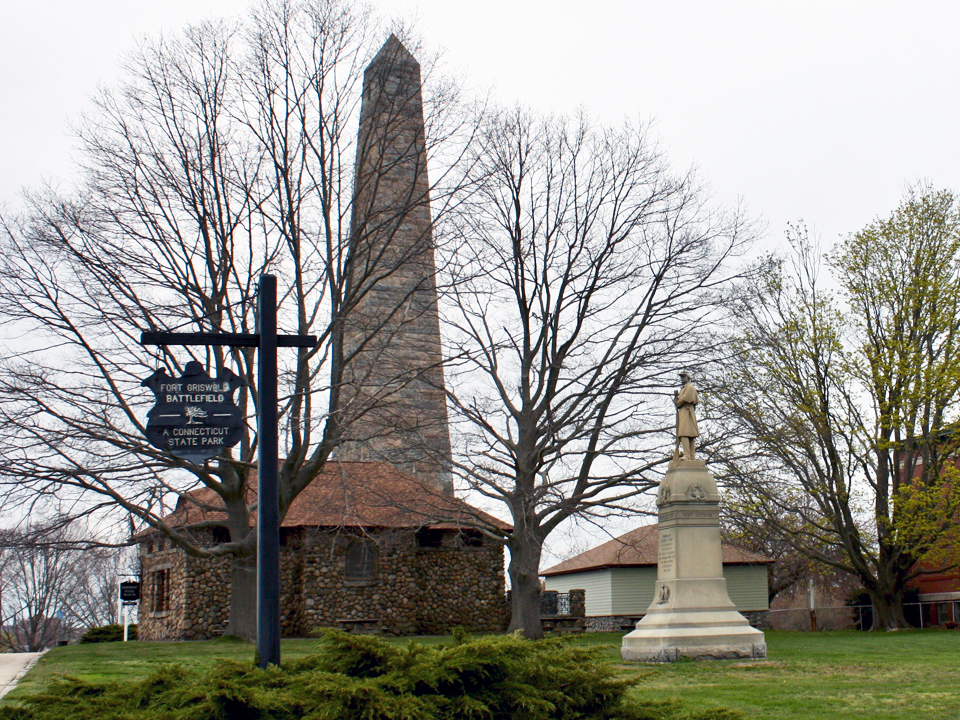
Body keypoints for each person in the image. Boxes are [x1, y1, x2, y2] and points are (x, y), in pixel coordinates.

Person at [673, 371, 699, 461]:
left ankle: (688, 455)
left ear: (688, 377)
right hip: (684, 411)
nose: (682, 379)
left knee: (685, 433)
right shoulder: (684, 388)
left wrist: (678, 402)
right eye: (681, 377)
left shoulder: (690, 387)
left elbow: (685, 399)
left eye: (683, 377)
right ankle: (690, 456)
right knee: (687, 434)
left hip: (687, 411)